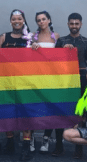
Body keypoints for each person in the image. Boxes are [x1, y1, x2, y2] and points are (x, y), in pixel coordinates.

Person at [55, 12, 87, 158]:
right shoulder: (61, 41)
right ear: (68, 24)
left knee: (81, 114)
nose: (74, 26)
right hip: (64, 82)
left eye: (76, 24)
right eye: (71, 23)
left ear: (81, 24)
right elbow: (53, 62)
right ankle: (59, 146)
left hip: (83, 81)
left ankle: (79, 148)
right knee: (60, 113)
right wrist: (63, 51)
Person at [0, 9, 33, 161]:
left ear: (24, 20)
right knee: (8, 113)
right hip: (7, 82)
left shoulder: (30, 39)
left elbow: (35, 61)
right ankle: (10, 143)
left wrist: (36, 48)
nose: (16, 21)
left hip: (25, 83)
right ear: (10, 21)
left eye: (19, 18)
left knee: (25, 114)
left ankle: (26, 147)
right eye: (14, 18)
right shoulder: (4, 37)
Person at [31, 11, 61, 155]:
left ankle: (46, 138)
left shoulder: (56, 36)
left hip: (51, 78)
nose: (41, 22)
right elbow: (27, 57)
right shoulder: (32, 37)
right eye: (38, 20)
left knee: (50, 109)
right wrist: (32, 48)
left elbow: (61, 58)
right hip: (36, 77)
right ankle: (30, 138)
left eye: (44, 19)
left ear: (49, 20)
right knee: (33, 108)